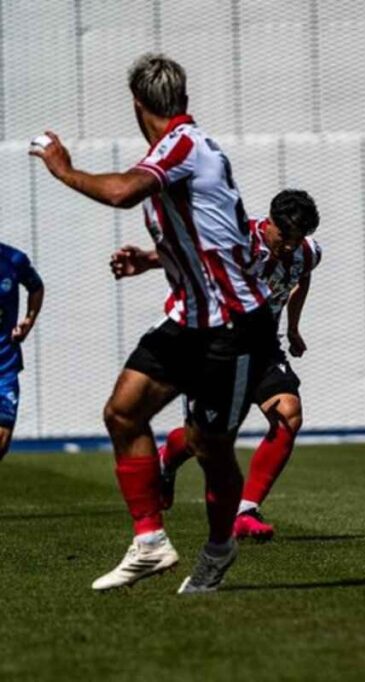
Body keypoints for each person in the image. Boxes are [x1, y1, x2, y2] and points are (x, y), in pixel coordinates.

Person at [30, 53, 276, 593]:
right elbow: (212, 234)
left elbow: (121, 192)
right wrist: (151, 260)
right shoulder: (182, 149)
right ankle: (150, 543)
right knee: (123, 413)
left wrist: (64, 169)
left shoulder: (182, 146)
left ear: (137, 105)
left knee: (210, 446)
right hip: (189, 319)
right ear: (182, 97)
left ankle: (217, 550)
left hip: (232, 327)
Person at [109, 189, 322, 541]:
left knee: (289, 414)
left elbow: (302, 276)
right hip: (217, 344)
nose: (289, 246)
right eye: (285, 237)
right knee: (205, 441)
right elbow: (195, 257)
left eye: (298, 239)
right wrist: (147, 260)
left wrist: (293, 327)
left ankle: (246, 510)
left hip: (264, 347)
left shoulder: (306, 252)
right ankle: (167, 458)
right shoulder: (241, 240)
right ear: (269, 223)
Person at [0, 242, 44, 460]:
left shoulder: (14, 259)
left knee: (2, 439)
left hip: (4, 365)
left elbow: (36, 287)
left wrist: (28, 320)